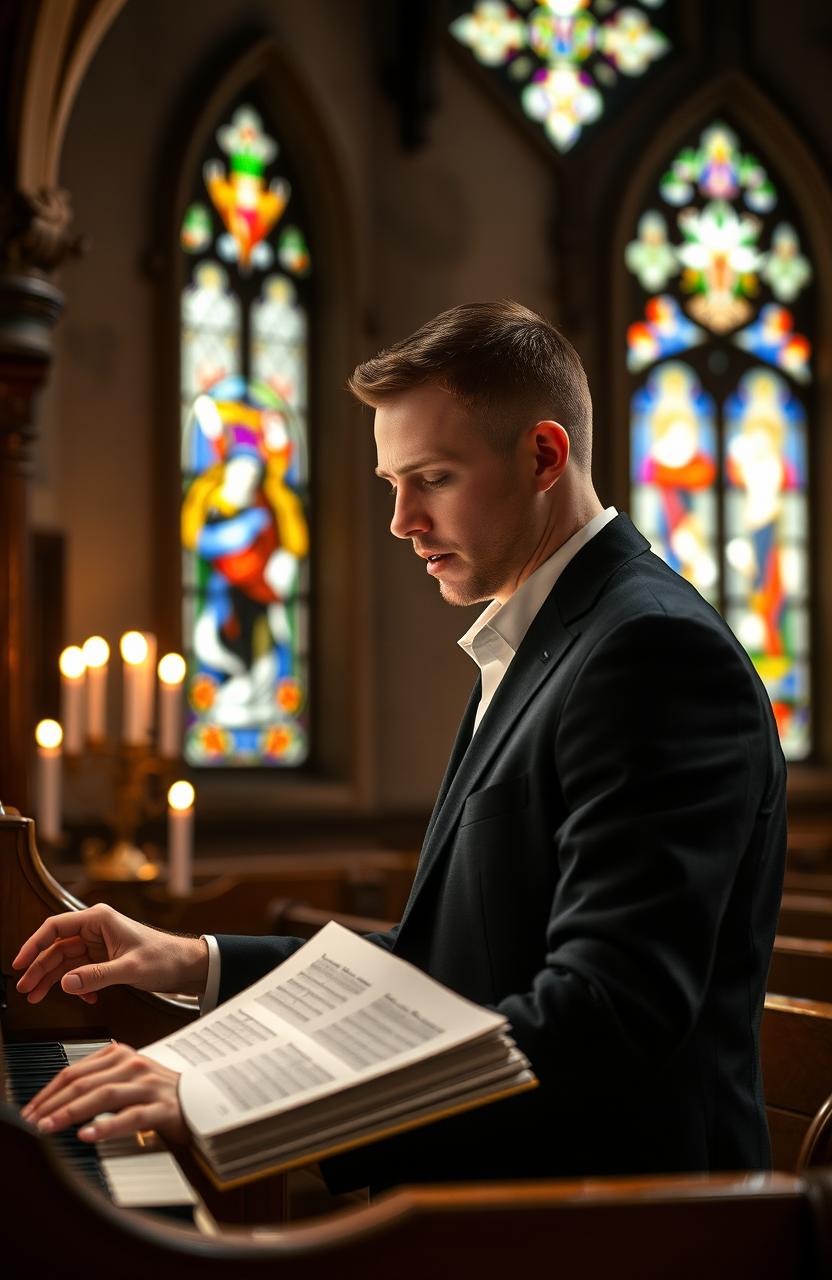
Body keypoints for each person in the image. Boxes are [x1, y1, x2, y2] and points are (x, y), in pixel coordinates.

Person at [14, 301, 786, 1193]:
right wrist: (191, 961)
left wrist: (230, 1095)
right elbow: (447, 960)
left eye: (433, 478)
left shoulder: (651, 652)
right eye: (392, 482)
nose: (400, 519)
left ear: (544, 455)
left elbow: (603, 1020)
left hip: (611, 1225)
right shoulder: (545, 634)